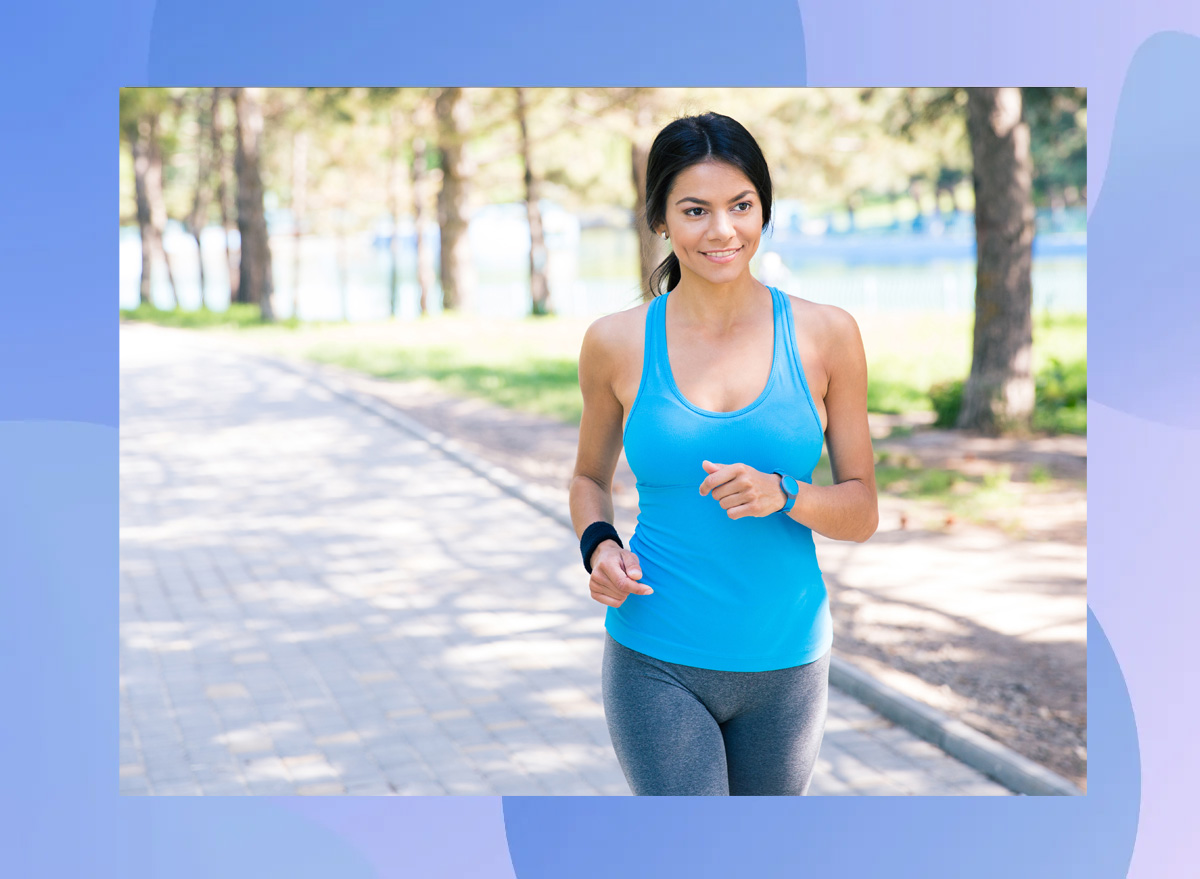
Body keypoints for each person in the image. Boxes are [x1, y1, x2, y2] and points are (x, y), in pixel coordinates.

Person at [568, 112, 879, 796]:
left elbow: (861, 509)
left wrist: (788, 493)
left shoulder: (828, 335)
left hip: (788, 661)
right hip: (657, 654)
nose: (722, 230)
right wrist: (598, 546)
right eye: (695, 210)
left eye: (741, 205)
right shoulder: (615, 342)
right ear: (660, 220)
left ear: (764, 209)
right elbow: (590, 477)